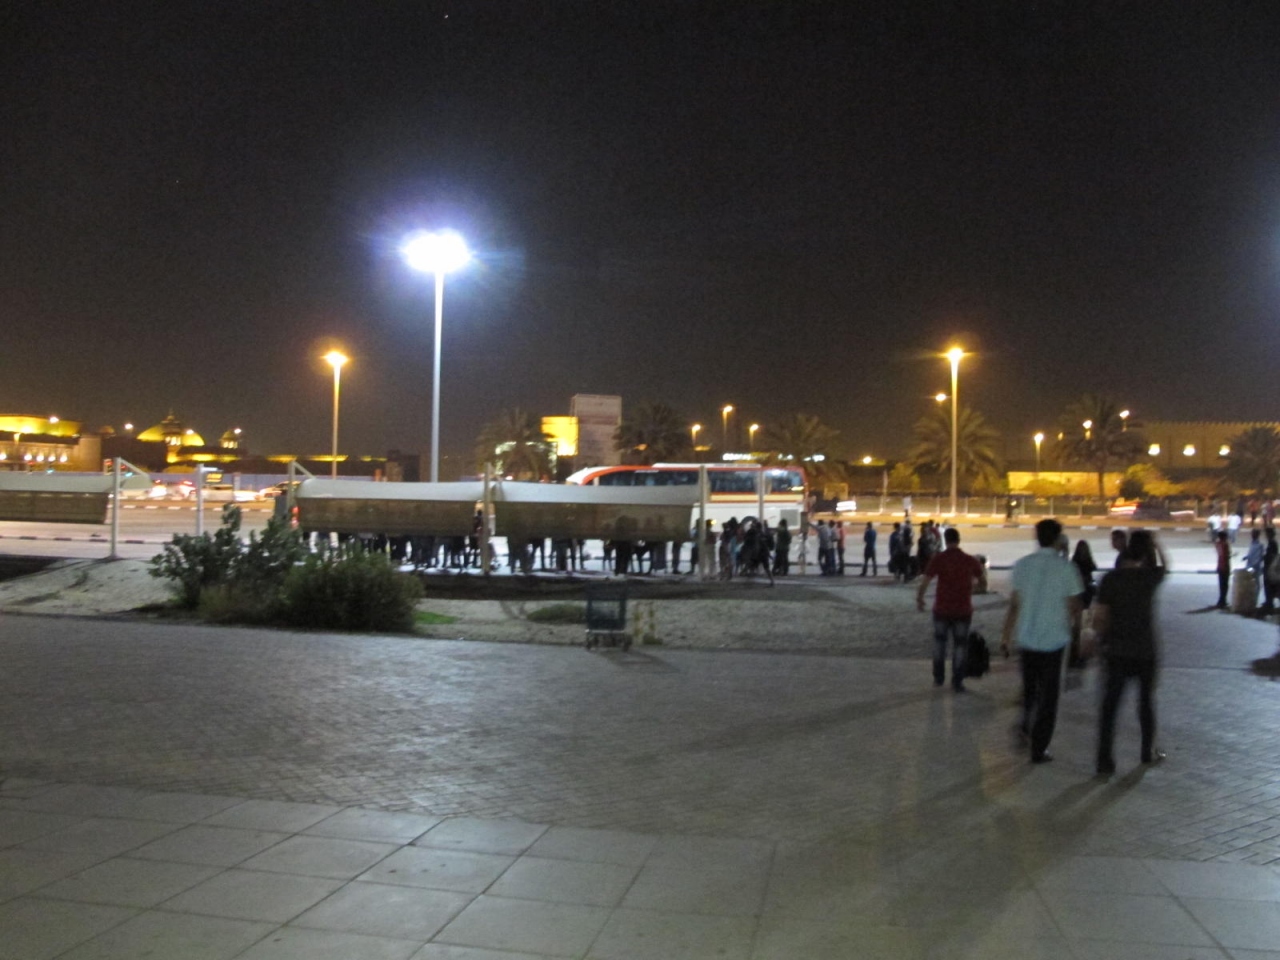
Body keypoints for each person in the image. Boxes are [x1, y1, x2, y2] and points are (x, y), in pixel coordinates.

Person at [1001, 518, 1084, 764]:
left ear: (1036, 538)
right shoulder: (1067, 569)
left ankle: (1025, 724)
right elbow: (1074, 606)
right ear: (1058, 539)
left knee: (1030, 690)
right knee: (1049, 697)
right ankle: (1039, 749)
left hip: (1027, 638)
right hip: (1054, 641)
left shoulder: (1022, 565)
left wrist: (1006, 636)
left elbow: (1014, 604)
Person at [1093, 530, 1168, 775]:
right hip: (1145, 651)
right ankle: (1146, 752)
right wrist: (1157, 545)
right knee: (1145, 704)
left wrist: (1098, 641)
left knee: (1110, 708)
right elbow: (1166, 567)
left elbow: (1101, 617)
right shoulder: (1149, 578)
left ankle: (1105, 761)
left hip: (1116, 651)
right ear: (1145, 553)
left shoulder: (1110, 579)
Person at [916, 527, 987, 692]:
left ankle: (938, 677)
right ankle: (957, 681)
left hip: (942, 609)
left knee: (939, 643)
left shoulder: (939, 559)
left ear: (946, 540)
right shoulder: (969, 560)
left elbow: (925, 581)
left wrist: (920, 599)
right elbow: (983, 582)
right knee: (960, 645)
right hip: (963, 610)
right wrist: (972, 589)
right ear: (959, 540)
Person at [1068, 539, 1098, 671]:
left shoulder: (1074, 563)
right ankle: (1082, 656)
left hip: (1077, 594)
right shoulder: (1089, 562)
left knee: (1075, 627)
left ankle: (1073, 655)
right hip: (1086, 595)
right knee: (1084, 626)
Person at [1214, 530, 1232, 609]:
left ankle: (1221, 600)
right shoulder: (1225, 544)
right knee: (1225, 585)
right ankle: (1223, 601)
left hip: (1219, 565)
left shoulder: (1217, 544)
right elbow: (1227, 555)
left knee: (1221, 584)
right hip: (1225, 566)